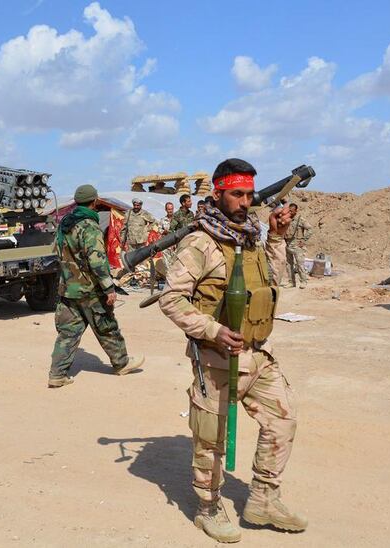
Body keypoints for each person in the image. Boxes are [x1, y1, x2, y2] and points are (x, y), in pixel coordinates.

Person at [159, 158, 306, 543]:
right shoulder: (201, 242)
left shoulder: (251, 235)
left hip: (258, 354)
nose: (244, 202)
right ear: (218, 193)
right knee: (211, 439)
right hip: (217, 360)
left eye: (248, 194)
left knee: (283, 419)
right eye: (236, 194)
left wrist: (276, 238)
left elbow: (271, 282)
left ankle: (262, 499)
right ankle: (208, 508)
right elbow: (172, 299)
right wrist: (213, 330)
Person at [49, 184, 144, 387]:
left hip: (68, 288)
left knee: (67, 332)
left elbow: (56, 253)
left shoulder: (64, 224)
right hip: (89, 289)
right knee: (107, 327)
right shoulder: (88, 226)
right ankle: (121, 363)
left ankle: (57, 374)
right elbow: (97, 261)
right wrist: (109, 288)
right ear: (94, 201)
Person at [283, 204, 313, 289]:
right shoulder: (287, 219)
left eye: (292, 211)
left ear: (296, 211)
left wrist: (304, 240)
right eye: (289, 210)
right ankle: (291, 282)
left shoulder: (301, 220)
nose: (290, 212)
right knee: (289, 265)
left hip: (297, 246)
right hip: (288, 244)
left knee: (300, 265)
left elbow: (310, 229)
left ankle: (303, 281)